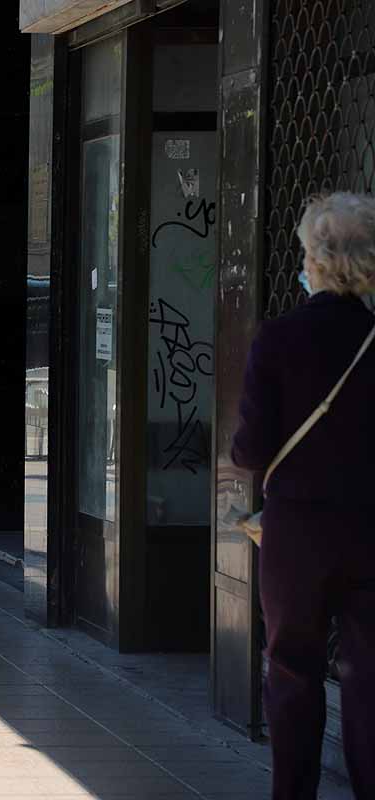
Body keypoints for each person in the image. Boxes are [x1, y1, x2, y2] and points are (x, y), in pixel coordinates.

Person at [232, 192, 375, 800]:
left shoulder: (280, 337)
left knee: (292, 666)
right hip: (372, 527)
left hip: (296, 532)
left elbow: (250, 447)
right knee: (370, 675)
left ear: (314, 260)